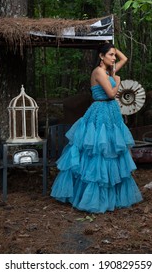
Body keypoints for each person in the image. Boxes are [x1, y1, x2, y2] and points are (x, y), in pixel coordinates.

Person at [50, 42, 143, 213]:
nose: (114, 58)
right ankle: (91, 197)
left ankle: (112, 196)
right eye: (111, 55)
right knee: (97, 151)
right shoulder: (99, 72)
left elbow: (125, 58)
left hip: (111, 112)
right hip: (100, 110)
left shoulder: (109, 70)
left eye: (114, 55)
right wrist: (117, 81)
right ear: (101, 56)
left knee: (111, 150)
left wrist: (110, 45)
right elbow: (111, 94)